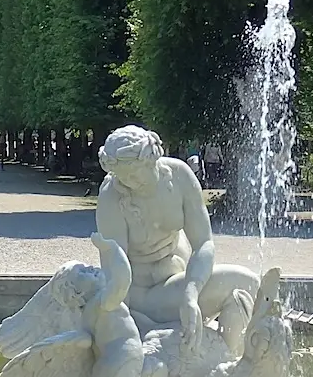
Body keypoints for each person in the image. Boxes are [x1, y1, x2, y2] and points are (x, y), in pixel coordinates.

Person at [95, 126, 260, 356]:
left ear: (151, 158)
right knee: (241, 283)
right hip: (146, 299)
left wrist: (191, 292)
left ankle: (227, 365)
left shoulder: (180, 175)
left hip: (180, 283)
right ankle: (221, 367)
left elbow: (204, 242)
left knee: (249, 284)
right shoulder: (112, 195)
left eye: (134, 174)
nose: (130, 183)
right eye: (123, 178)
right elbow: (116, 271)